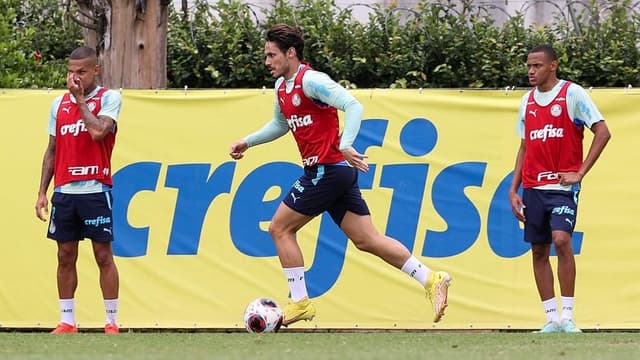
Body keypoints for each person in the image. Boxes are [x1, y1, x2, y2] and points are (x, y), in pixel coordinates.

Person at [229, 24, 451, 326]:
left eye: (272, 55)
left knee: (279, 228)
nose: (267, 62)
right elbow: (281, 125)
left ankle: (300, 302)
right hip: (333, 173)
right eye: (266, 56)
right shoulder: (283, 89)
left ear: (291, 53)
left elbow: (352, 105)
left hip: (327, 170)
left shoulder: (312, 81)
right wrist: (248, 141)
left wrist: (345, 144)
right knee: (368, 240)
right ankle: (431, 279)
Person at [509, 45, 610, 333]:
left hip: (562, 187)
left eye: (537, 66)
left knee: (562, 239)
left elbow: (602, 131)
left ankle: (568, 316)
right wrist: (513, 189)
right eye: (528, 66)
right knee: (538, 250)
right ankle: (551, 318)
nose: (531, 71)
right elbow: (525, 146)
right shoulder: (527, 101)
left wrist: (580, 171)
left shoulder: (572, 94)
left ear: (553, 65)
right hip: (532, 187)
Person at [35, 46, 123, 334]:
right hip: (65, 191)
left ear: (95, 70)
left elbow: (99, 132)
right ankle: (67, 321)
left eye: (81, 72)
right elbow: (51, 150)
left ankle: (111, 322)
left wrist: (81, 101)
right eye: (71, 72)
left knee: (103, 256)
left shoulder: (109, 98)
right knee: (65, 255)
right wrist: (41, 193)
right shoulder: (58, 105)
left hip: (96, 189)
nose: (75, 78)